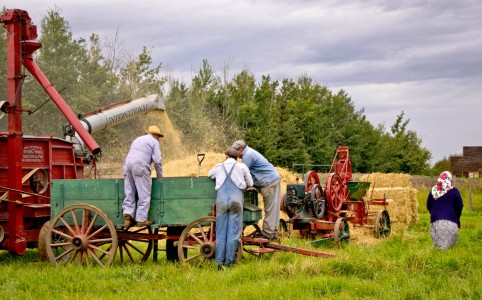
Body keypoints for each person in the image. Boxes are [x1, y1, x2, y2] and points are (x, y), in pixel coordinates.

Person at [208, 148, 253, 270]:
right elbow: (250, 183)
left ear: (226, 156)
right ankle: (229, 262)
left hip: (222, 201)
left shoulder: (218, 166)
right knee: (233, 233)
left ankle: (219, 263)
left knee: (221, 233)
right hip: (236, 201)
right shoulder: (242, 167)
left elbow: (209, 174)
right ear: (237, 158)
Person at [231, 140, 281, 240]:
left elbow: (244, 173)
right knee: (274, 208)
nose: (236, 155)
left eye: (236, 152)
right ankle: (273, 232)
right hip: (272, 180)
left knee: (270, 208)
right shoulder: (250, 152)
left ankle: (267, 233)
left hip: (269, 182)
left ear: (240, 149)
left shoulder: (248, 155)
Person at [122, 125, 164, 229]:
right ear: (156, 135)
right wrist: (160, 177)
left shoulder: (138, 139)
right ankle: (141, 219)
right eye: (158, 136)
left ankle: (128, 216)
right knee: (144, 193)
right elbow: (157, 160)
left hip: (127, 164)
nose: (159, 138)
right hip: (140, 165)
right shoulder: (154, 142)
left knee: (129, 191)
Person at [426, 171, 463, 250]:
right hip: (451, 222)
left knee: (438, 247)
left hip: (435, 222)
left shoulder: (433, 190)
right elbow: (459, 206)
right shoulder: (454, 191)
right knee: (448, 249)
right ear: (450, 180)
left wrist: (433, 213)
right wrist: (457, 216)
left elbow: (428, 205)